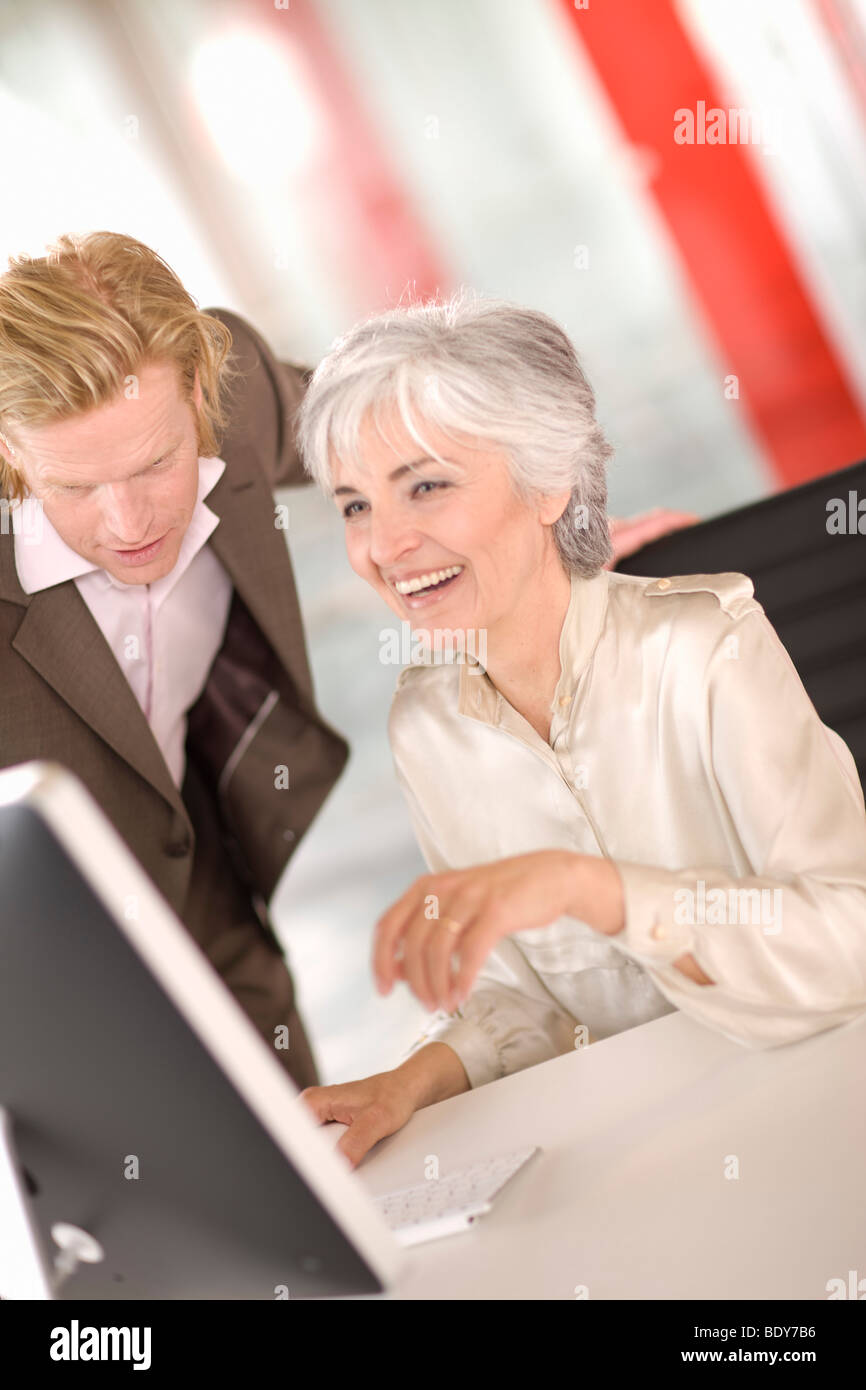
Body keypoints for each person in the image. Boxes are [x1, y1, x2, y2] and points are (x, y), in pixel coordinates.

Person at [294, 288, 866, 1169]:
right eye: (356, 505)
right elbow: (522, 999)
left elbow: (846, 940)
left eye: (428, 487)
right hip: (645, 1146)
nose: (385, 544)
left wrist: (589, 887)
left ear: (548, 483)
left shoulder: (705, 649)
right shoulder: (427, 725)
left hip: (811, 1109)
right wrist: (412, 1080)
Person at [0, 230, 349, 1090]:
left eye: (157, 463)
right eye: (76, 488)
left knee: (315, 1172)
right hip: (39, 979)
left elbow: (389, 423)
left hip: (209, 899)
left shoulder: (235, 400)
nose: (128, 524)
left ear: (199, 390)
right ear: (10, 448)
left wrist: (555, 544)